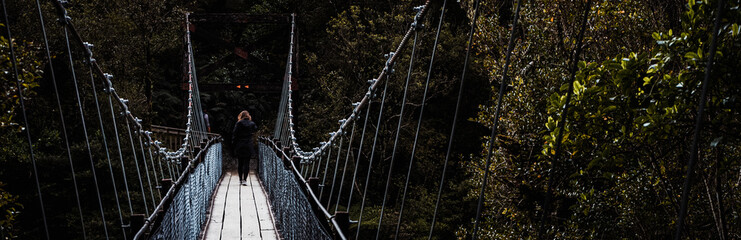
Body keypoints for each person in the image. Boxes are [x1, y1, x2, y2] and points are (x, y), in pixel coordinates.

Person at [232, 110, 257, 186]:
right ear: (248, 116)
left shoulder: (238, 123)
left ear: (241, 116)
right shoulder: (252, 123)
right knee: (247, 163)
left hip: (240, 145)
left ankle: (240, 179)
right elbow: (255, 129)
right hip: (248, 145)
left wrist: (234, 144)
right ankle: (245, 180)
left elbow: (235, 134)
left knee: (240, 163)